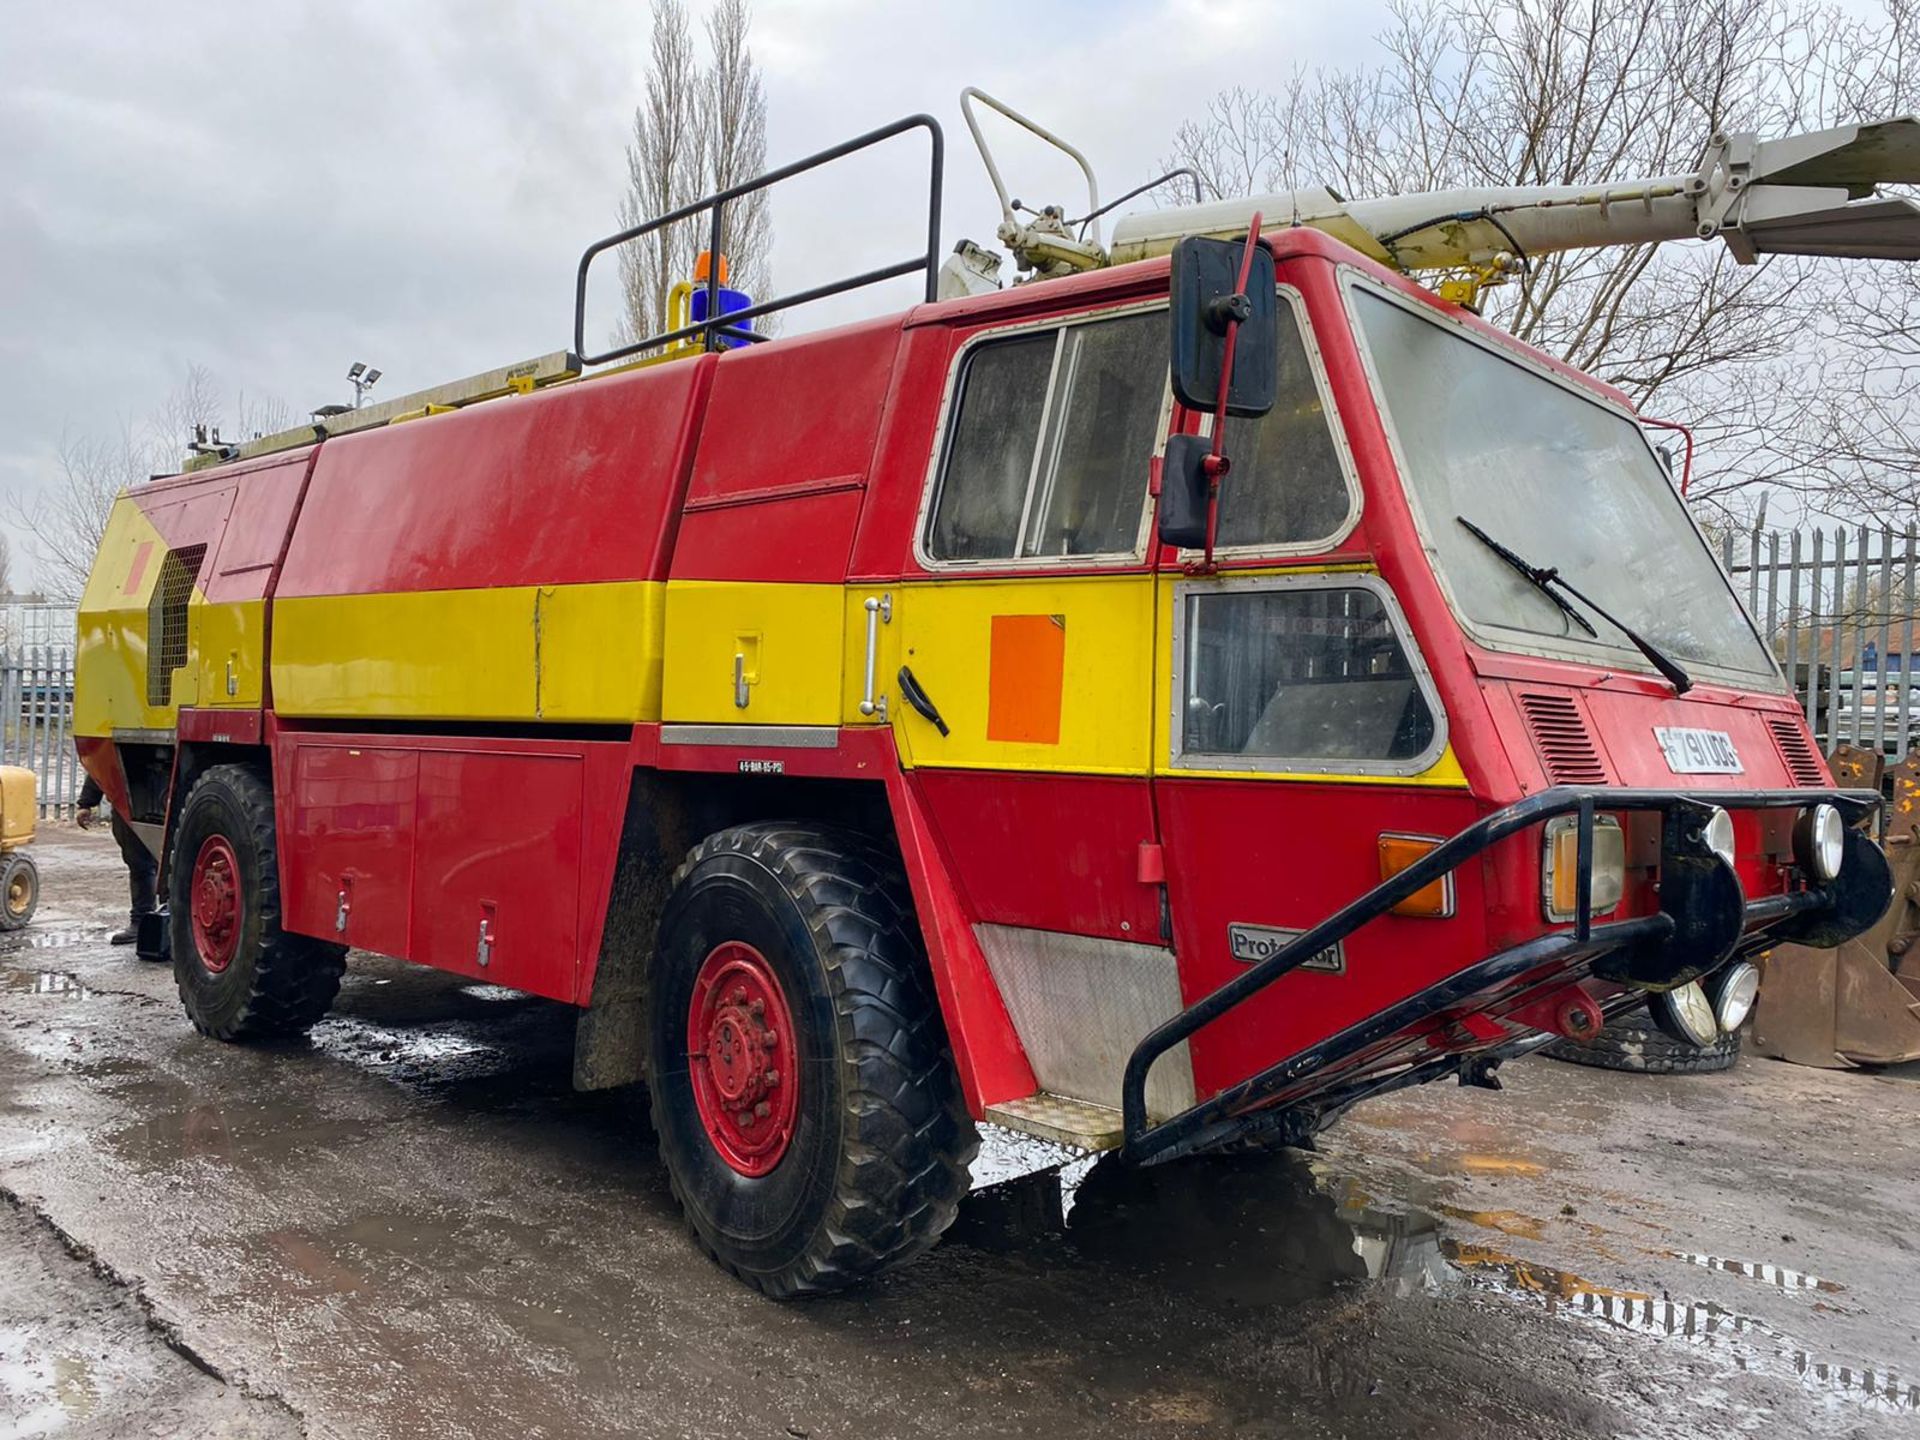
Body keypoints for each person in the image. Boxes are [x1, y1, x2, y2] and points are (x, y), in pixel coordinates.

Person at [76, 774, 158, 946]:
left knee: (169, 862)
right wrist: (87, 802)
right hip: (127, 801)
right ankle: (142, 921)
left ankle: (168, 920)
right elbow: (103, 756)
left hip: (163, 793)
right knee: (138, 863)